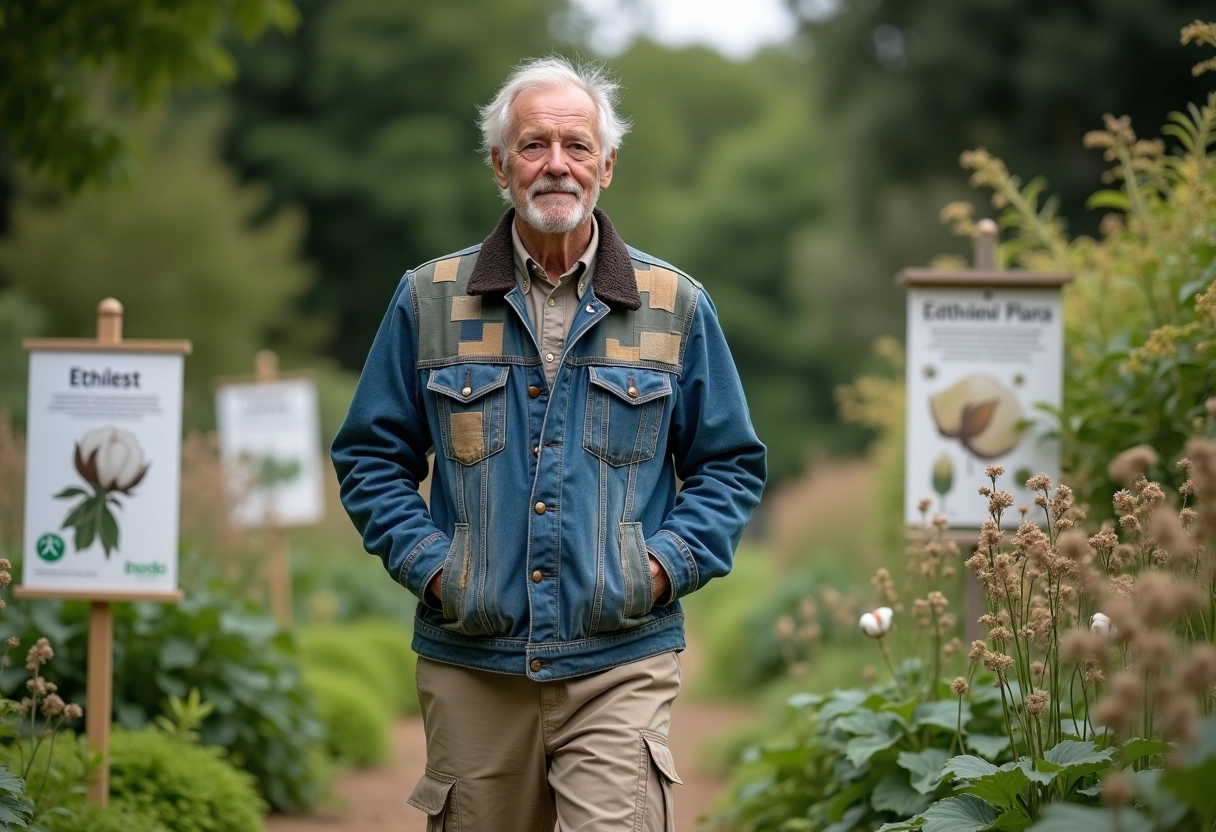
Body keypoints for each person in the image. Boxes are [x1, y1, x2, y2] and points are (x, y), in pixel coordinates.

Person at [331, 56, 766, 831]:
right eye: (534, 145)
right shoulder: (430, 300)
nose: (556, 164)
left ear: (607, 165)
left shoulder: (674, 306)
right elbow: (370, 457)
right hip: (472, 662)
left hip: (620, 659)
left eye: (576, 144)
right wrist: (437, 572)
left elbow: (728, 466)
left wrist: (657, 570)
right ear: (501, 166)